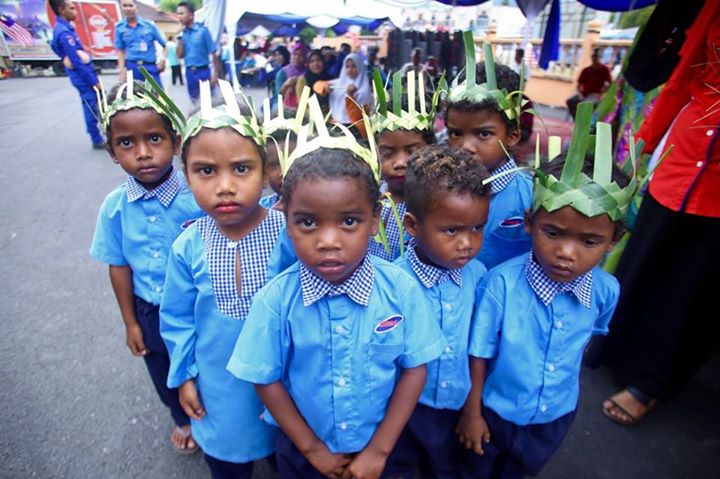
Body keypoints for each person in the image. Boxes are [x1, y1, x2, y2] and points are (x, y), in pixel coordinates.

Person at [227, 100, 445, 478]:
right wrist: (312, 450)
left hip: (385, 447)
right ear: (285, 218)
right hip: (304, 454)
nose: (329, 241)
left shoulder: (401, 290)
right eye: (308, 222)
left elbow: (414, 369)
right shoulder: (277, 300)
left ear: (374, 218)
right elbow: (266, 378)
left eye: (349, 221)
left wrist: (379, 449)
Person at [458, 102, 632, 478]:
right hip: (493, 412)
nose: (566, 253)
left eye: (589, 241)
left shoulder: (606, 292)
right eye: (553, 233)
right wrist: (471, 412)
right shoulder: (501, 284)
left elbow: (587, 337)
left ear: (613, 241)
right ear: (529, 224)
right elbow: (478, 353)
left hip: (554, 416)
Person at [585, 0, 720, 426]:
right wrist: (641, 148)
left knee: (693, 291)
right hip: (681, 162)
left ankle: (653, 382)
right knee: (643, 265)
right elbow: (681, 80)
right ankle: (612, 348)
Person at [160, 81, 279, 478]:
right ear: (186, 175)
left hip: (283, 383)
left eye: (241, 168)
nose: (224, 186)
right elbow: (177, 320)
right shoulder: (186, 247)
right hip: (218, 388)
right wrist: (185, 376)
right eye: (206, 171)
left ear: (264, 170)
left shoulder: (290, 233)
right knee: (228, 466)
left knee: (288, 453)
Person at [89, 77, 203, 454]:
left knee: (205, 365)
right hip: (150, 308)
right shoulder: (114, 206)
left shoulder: (197, 196)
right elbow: (118, 265)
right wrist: (130, 321)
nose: (143, 152)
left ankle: (215, 415)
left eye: (154, 139)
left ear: (174, 140)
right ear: (111, 151)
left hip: (199, 308)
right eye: (126, 143)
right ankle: (182, 418)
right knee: (162, 369)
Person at [384, 146, 491, 478]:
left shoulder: (478, 276)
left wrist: (472, 409)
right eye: (452, 230)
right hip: (401, 408)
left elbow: (478, 346)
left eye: (477, 228)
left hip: (455, 404)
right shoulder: (393, 283)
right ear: (413, 225)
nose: (467, 243)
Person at [445, 34, 532, 269]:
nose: (465, 146)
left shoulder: (531, 197)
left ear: (512, 135)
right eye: (455, 133)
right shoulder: (441, 188)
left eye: (483, 134)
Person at [368, 70, 437, 261]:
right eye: (387, 154)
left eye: (412, 152)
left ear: (431, 148)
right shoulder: (368, 199)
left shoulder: (435, 202)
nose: (400, 163)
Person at [49, 0, 104, 149]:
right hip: (83, 76)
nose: (75, 11)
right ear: (61, 10)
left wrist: (63, 56)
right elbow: (77, 62)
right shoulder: (64, 33)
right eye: (71, 8)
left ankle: (99, 134)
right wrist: (94, 82)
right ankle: (96, 138)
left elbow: (53, 45)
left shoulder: (64, 28)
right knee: (91, 105)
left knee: (95, 104)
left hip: (82, 74)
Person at [175, 1, 220, 102]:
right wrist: (179, 37)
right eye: (178, 13)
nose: (179, 17)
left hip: (203, 71)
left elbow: (214, 53)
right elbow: (179, 55)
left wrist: (215, 74)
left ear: (191, 15)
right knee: (194, 101)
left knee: (209, 101)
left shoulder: (203, 31)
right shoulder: (183, 34)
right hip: (190, 72)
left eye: (182, 13)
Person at [115, 0, 167, 86]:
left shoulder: (149, 26)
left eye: (130, 5)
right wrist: (121, 71)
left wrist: (162, 60)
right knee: (134, 96)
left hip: (150, 67)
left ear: (136, 7)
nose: (128, 9)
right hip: (132, 67)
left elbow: (164, 46)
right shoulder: (120, 28)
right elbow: (120, 51)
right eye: (125, 6)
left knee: (157, 96)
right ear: (121, 7)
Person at [329, 53, 373, 136]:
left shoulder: (365, 90)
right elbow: (318, 85)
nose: (350, 69)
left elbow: (358, 116)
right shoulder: (337, 84)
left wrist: (350, 95)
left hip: (356, 130)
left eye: (354, 66)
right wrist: (325, 87)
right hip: (336, 126)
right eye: (347, 66)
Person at [565, 48, 611, 119]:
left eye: (596, 57)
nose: (594, 58)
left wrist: (601, 93)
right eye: (593, 56)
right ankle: (577, 120)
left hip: (595, 95)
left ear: (600, 58)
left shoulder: (604, 70)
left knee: (588, 104)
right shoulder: (586, 70)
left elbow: (609, 84)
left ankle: (585, 122)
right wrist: (580, 94)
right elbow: (579, 85)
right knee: (570, 101)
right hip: (583, 94)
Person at [296, 49, 331, 114]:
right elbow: (303, 106)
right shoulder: (303, 80)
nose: (316, 64)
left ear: (323, 62)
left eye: (319, 60)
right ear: (308, 64)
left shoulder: (331, 79)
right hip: (311, 117)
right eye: (312, 61)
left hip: (332, 118)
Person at [275, 43, 308, 109]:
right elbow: (278, 95)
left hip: (304, 101)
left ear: (305, 57)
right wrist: (286, 85)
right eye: (295, 54)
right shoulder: (283, 72)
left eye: (301, 55)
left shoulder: (308, 71)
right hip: (284, 101)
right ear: (291, 56)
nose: (297, 57)